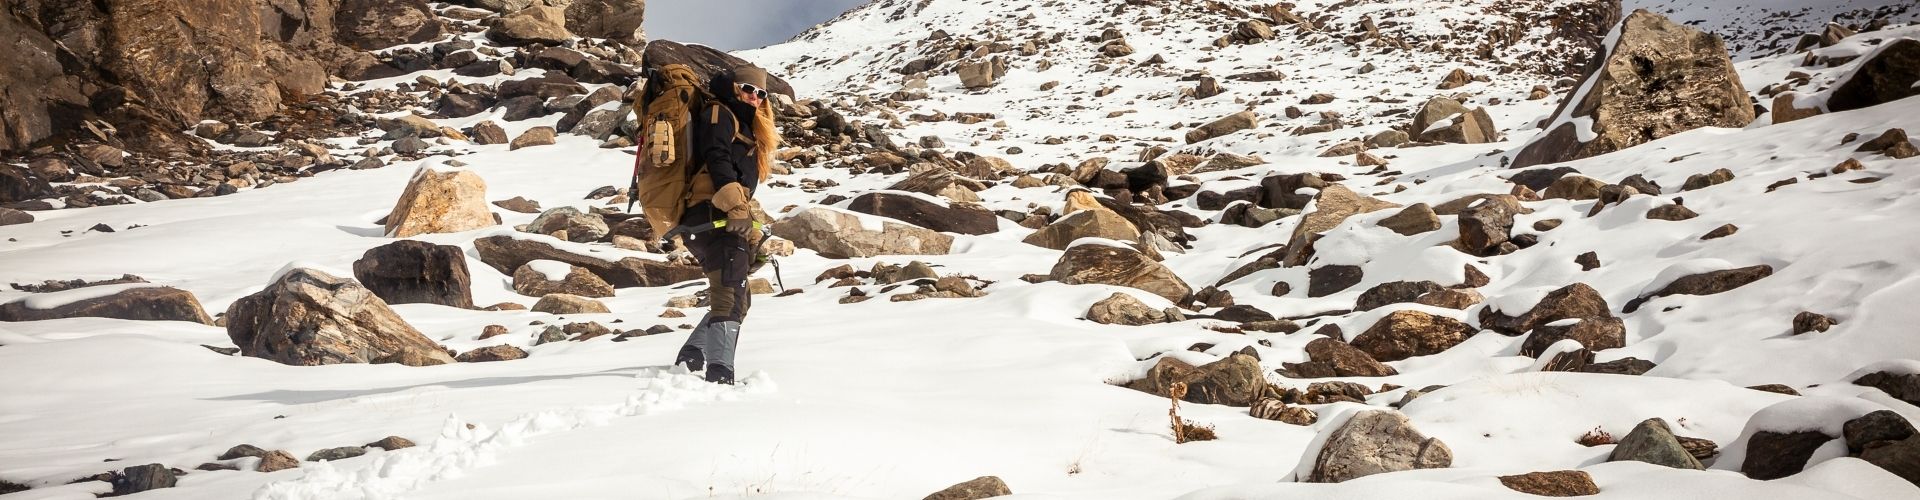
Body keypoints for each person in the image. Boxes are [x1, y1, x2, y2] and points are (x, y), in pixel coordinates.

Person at [672, 64, 779, 384]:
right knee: (729, 292)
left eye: (761, 94)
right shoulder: (719, 113)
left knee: (737, 295)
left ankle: (692, 355)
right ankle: (719, 374)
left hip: (716, 215)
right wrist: (735, 206)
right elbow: (717, 157)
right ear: (733, 88)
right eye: (749, 89)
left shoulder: (742, 124)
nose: (755, 97)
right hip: (709, 213)